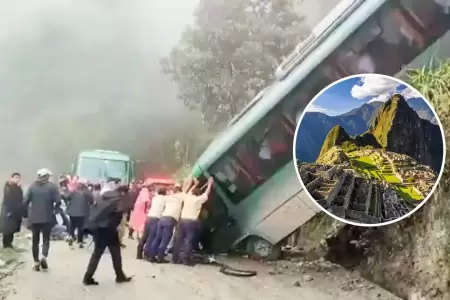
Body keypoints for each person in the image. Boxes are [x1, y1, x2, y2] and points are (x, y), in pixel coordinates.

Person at [83, 177, 132, 286]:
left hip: (98, 229)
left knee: (96, 254)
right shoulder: (117, 200)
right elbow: (118, 214)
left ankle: (87, 277)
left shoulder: (101, 197)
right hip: (109, 230)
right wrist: (115, 226)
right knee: (116, 254)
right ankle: (119, 276)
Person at [24, 168, 61, 271]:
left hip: (34, 218)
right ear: (46, 177)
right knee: (46, 238)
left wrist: (25, 214)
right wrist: (55, 209)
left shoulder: (32, 186)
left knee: (35, 240)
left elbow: (25, 201)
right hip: (47, 217)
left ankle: (36, 262)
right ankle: (44, 256)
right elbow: (58, 201)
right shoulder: (52, 187)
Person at [146, 179, 191, 263]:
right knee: (165, 239)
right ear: (180, 190)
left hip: (162, 218)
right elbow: (187, 189)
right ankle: (160, 258)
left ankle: (151, 256)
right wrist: (191, 181)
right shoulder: (181, 196)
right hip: (170, 220)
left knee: (157, 238)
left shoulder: (168, 197)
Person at [172, 177, 214, 265]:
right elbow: (207, 193)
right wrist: (210, 184)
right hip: (191, 222)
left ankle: (175, 259)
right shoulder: (198, 200)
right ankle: (185, 260)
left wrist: (196, 184)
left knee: (178, 239)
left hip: (182, 220)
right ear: (198, 195)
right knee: (189, 240)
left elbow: (190, 191)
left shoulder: (187, 197)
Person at [138, 187, 166, 259]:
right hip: (156, 218)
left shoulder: (154, 198)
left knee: (144, 236)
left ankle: (139, 253)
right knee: (151, 237)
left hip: (149, 217)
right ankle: (147, 253)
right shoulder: (165, 199)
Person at [65, 181, 93, 248]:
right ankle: (80, 241)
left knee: (72, 226)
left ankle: (71, 239)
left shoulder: (73, 191)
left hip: (72, 212)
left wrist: (71, 191)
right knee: (81, 227)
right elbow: (92, 200)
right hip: (82, 212)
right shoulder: (86, 192)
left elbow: (67, 197)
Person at [0, 173, 24, 249]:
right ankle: (6, 245)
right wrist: (8, 211)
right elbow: (8, 199)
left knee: (12, 229)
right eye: (16, 177)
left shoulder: (17, 187)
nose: (17, 179)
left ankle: (10, 244)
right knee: (7, 229)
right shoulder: (8, 186)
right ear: (11, 178)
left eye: (18, 178)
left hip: (16, 212)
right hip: (8, 211)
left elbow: (20, 198)